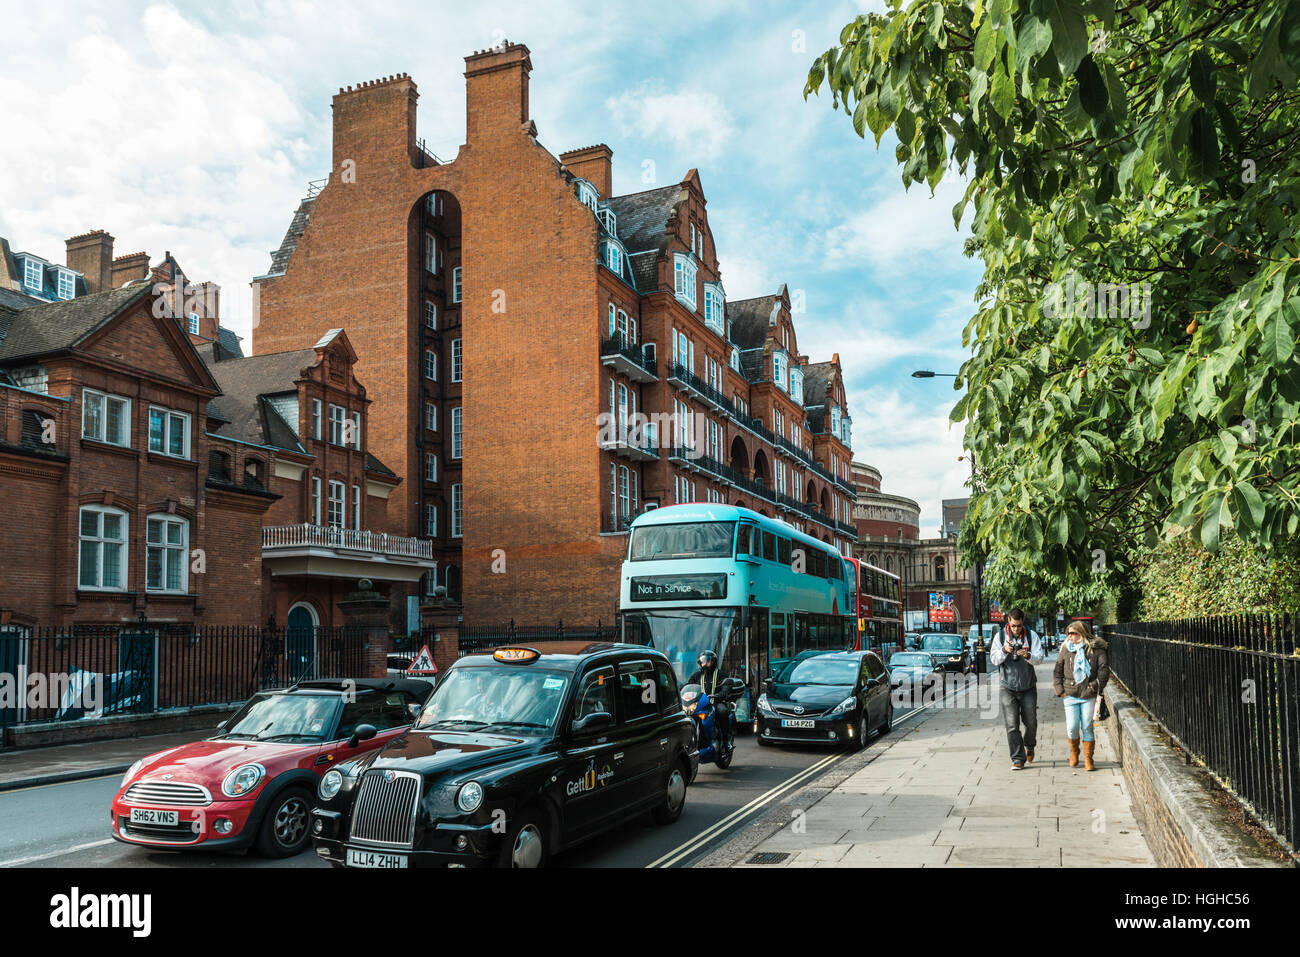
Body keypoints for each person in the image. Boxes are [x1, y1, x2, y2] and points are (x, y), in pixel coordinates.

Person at [988, 607, 1044, 770]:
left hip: (1028, 686)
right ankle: (1017, 759)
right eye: (1013, 626)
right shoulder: (1000, 636)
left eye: (1019, 626)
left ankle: (1030, 744)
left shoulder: (1032, 636)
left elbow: (1040, 659)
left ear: (1022, 623)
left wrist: (1027, 655)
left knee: (1031, 722)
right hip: (1008, 687)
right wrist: (1004, 650)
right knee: (1012, 725)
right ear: (1008, 622)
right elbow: (994, 659)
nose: (1016, 629)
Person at [1053, 621, 1111, 771]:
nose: (1070, 636)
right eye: (1069, 633)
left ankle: (1088, 758)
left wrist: (1094, 686)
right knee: (1072, 727)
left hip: (1088, 694)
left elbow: (1104, 671)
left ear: (1082, 634)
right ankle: (1074, 752)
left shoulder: (1096, 650)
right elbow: (1057, 671)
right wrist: (1060, 691)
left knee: (1087, 726)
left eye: (1074, 633)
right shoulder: (1065, 649)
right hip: (1070, 695)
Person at [687, 650, 732, 752]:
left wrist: (721, 694)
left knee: (722, 711)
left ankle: (726, 741)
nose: (704, 664)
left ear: (713, 662)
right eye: (702, 662)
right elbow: (688, 685)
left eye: (707, 661)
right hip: (700, 704)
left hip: (715, 703)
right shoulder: (697, 675)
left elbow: (726, 686)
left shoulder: (721, 674)